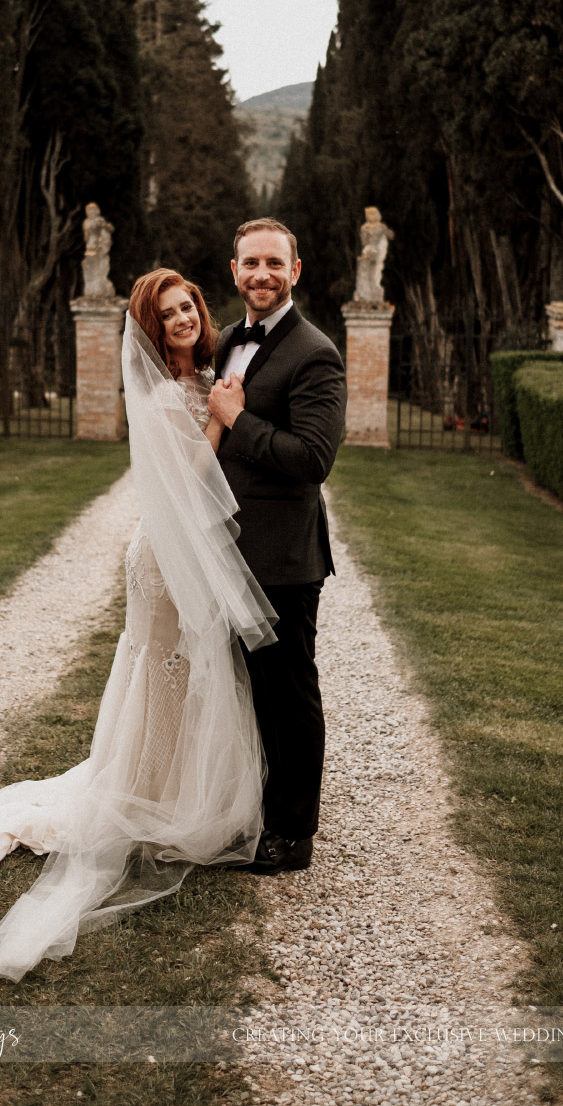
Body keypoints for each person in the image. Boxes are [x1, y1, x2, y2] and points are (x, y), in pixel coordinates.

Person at [0, 269, 277, 982]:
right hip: (161, 560)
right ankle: (144, 797)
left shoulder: (208, 374)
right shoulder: (156, 395)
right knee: (164, 668)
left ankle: (180, 792)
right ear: (151, 329)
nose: (183, 317)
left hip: (195, 551)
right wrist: (220, 416)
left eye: (189, 306)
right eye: (168, 313)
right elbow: (188, 476)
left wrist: (218, 401)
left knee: (197, 669)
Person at [209, 217, 347, 875]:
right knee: (245, 692)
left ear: (296, 271)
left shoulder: (314, 351)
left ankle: (293, 836)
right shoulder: (232, 339)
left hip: (284, 558)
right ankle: (253, 810)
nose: (260, 274)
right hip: (231, 550)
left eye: (273, 263)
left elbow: (312, 458)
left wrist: (241, 423)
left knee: (289, 694)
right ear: (233, 271)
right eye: (249, 263)